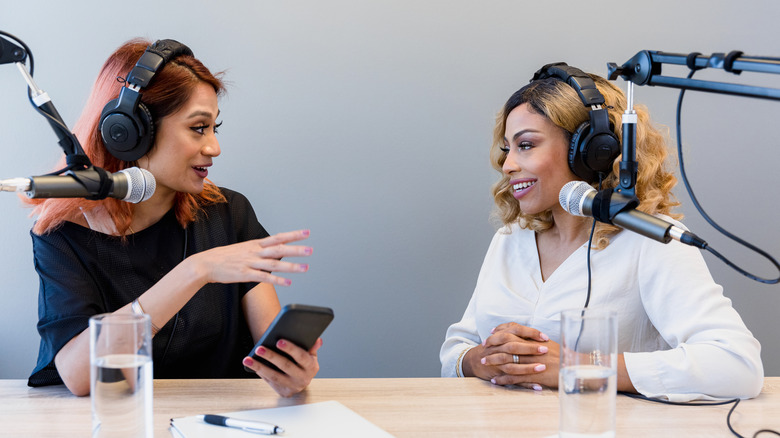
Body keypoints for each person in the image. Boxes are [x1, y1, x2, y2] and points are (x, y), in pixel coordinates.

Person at [440, 63, 764, 401]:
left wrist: (577, 366)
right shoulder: (511, 239)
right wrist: (481, 360)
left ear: (592, 152)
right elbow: (455, 350)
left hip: (604, 425)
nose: (507, 165)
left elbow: (737, 365)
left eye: (526, 145)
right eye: (508, 148)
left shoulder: (652, 241)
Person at [27, 38, 320, 398]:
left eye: (214, 128)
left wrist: (291, 372)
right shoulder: (63, 234)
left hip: (214, 418)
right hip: (107, 418)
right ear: (131, 132)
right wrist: (195, 271)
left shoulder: (230, 214)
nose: (214, 148)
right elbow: (80, 376)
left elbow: (272, 356)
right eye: (198, 128)